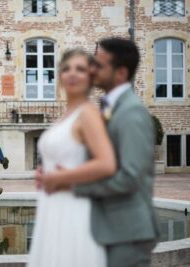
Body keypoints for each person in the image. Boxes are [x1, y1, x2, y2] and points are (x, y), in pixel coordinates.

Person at [37, 38, 160, 267]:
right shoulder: (109, 108)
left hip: (127, 231)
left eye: (99, 65)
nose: (93, 69)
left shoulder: (131, 113)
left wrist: (71, 185)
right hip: (108, 226)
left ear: (121, 73)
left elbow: (129, 177)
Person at [27, 48, 115, 267]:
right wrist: (44, 173)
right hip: (53, 206)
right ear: (59, 76)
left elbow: (107, 164)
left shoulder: (88, 113)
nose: (72, 73)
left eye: (80, 69)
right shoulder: (65, 116)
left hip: (74, 207)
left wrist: (59, 178)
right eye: (66, 69)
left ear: (91, 77)